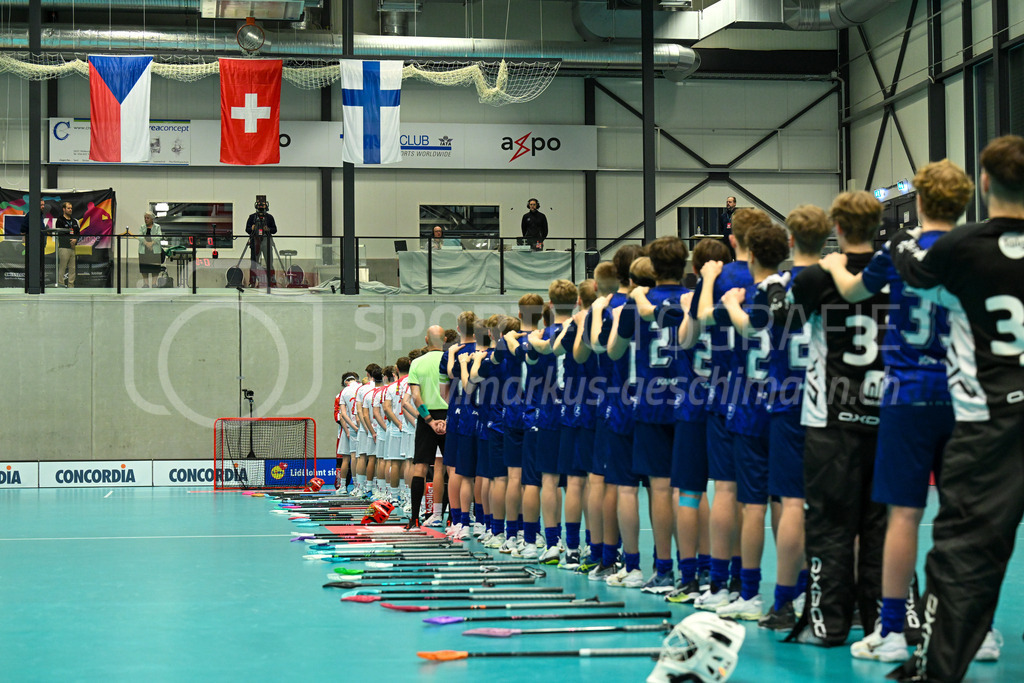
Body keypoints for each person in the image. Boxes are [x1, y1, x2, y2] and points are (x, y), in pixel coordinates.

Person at [888, 136, 1024, 682]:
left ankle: (938, 667)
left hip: (988, 422)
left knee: (964, 550)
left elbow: (912, 267)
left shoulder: (963, 247)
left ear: (985, 184)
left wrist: (897, 239)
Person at [407, 325, 450, 529]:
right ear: (445, 339)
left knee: (421, 467)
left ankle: (414, 518)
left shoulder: (417, 363)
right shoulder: (451, 360)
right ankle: (453, 518)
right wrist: (446, 420)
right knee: (453, 468)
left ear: (426, 340)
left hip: (427, 418)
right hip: (449, 417)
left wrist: (430, 421)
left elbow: (415, 397)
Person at [245, 197, 277, 287]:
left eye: (263, 204)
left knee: (269, 263)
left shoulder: (269, 217)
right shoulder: (252, 217)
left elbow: (275, 230)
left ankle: (272, 282)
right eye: (259, 204)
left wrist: (268, 229)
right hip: (255, 242)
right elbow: (247, 229)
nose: (261, 206)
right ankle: (252, 282)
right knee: (254, 263)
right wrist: (251, 228)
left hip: (266, 242)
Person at [55, 201, 80, 288]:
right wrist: (71, 241)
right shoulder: (60, 220)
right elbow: (60, 234)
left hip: (73, 248)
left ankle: (71, 286)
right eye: (68, 208)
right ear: (64, 209)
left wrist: (75, 240)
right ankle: (61, 285)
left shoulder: (74, 221)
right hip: (64, 247)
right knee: (62, 267)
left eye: (71, 208)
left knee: (72, 268)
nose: (70, 210)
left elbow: (78, 233)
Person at [137, 211, 163, 288]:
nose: (146, 219)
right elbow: (139, 236)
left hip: (154, 250)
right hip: (144, 250)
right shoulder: (142, 227)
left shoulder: (157, 227)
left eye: (147, 218)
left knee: (155, 267)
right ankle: (146, 283)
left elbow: (159, 236)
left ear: (152, 219)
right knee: (144, 267)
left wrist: (152, 243)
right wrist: (146, 243)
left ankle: (154, 283)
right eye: (145, 218)